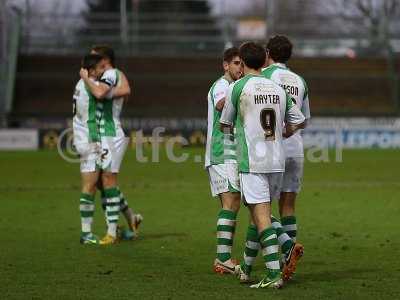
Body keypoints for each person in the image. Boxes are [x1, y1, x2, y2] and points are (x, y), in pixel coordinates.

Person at [220, 42, 305, 289]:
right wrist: (281, 132)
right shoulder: (278, 89)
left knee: (261, 216)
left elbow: (225, 124)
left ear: (243, 62)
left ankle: (273, 272)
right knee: (260, 213)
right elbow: (298, 119)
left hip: (253, 161)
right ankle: (248, 267)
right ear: (262, 59)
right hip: (277, 159)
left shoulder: (238, 87)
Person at [80, 45, 142, 245]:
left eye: (95, 57)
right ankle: (130, 217)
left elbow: (99, 93)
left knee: (108, 181)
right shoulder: (110, 75)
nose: (91, 61)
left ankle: (112, 232)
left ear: (105, 60)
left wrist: (85, 77)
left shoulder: (111, 73)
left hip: (110, 133)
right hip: (102, 135)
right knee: (101, 183)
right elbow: (124, 89)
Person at [262, 35, 311, 254]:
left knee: (261, 208)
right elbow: (304, 120)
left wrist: (280, 132)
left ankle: (281, 250)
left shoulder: (263, 76)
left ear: (268, 53)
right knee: (288, 206)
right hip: (295, 148)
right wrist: (289, 130)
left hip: (271, 148)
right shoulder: (299, 80)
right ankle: (287, 259)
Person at [205, 47, 243, 274]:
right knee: (232, 203)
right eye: (236, 63)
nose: (240, 67)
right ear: (225, 65)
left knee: (232, 204)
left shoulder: (233, 86)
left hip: (231, 153)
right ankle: (222, 259)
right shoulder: (222, 85)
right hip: (222, 152)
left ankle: (224, 258)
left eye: (242, 63)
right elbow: (221, 104)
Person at [73, 53, 105, 244]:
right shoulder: (89, 85)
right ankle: (86, 233)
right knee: (90, 185)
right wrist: (97, 143)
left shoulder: (79, 84)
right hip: (89, 140)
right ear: (91, 71)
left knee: (101, 184)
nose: (103, 70)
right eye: (100, 67)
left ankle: (118, 224)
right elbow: (91, 118)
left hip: (81, 137)